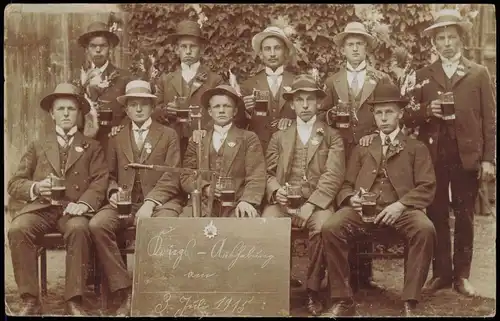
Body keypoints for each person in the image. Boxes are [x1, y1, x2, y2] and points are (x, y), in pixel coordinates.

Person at [321, 82, 436, 317]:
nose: (384, 118)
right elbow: (345, 185)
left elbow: (427, 186)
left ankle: (410, 300)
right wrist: (351, 198)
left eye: (389, 112)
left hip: (402, 210)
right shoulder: (363, 147)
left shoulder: (416, 147)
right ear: (373, 115)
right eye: (379, 112)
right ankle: (343, 299)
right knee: (331, 227)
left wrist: (401, 205)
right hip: (363, 210)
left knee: (425, 229)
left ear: (401, 114)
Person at [403, 9, 496, 296]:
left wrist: (488, 159)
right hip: (433, 157)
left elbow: (490, 119)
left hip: (467, 155)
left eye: (451, 37)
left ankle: (462, 276)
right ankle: (441, 273)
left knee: (465, 214)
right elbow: (406, 117)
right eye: (440, 38)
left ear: (461, 40)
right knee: (436, 213)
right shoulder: (423, 75)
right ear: (434, 43)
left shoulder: (478, 73)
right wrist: (424, 111)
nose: (446, 43)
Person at [7, 84, 109, 316]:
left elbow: (100, 181)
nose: (65, 113)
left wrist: (83, 204)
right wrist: (35, 187)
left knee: (79, 229)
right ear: (52, 113)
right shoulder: (38, 145)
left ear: (79, 113)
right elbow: (15, 183)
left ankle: (74, 300)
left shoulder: (92, 147)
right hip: (42, 208)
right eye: (60, 109)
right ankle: (30, 299)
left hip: (72, 210)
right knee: (18, 229)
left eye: (71, 109)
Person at [88, 80, 184, 316]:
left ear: (152, 108)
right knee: (97, 224)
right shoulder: (116, 137)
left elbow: (172, 176)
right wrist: (112, 192)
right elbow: (108, 174)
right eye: (133, 105)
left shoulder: (169, 135)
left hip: (161, 201)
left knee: (163, 226)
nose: (138, 109)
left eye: (144, 104)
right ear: (127, 109)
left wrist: (151, 203)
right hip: (124, 202)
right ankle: (124, 291)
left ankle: (157, 292)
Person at [321, 21, 394, 290]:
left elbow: (389, 112)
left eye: (359, 43)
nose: (355, 48)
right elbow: (323, 113)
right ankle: (343, 275)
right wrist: (332, 116)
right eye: (350, 44)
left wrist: (375, 134)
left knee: (366, 200)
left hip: (369, 152)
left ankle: (365, 275)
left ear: (366, 48)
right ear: (343, 49)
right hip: (340, 150)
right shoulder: (332, 81)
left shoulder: (381, 78)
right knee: (343, 204)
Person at [263, 74, 345, 316]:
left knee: (324, 227)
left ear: (319, 103)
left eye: (310, 100)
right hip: (284, 201)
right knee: (267, 223)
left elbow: (333, 176)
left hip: (317, 204)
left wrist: (312, 205)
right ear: (292, 104)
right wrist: (277, 192)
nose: (306, 105)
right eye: (300, 100)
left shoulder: (332, 136)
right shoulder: (279, 136)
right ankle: (274, 290)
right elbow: (267, 173)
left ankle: (313, 292)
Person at [181, 85, 266, 218]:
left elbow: (256, 175)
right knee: (183, 227)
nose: (221, 111)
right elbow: (186, 175)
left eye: (226, 106)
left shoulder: (248, 138)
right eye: (216, 107)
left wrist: (247, 201)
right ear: (209, 111)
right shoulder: (198, 139)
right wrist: (205, 188)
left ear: (235, 111)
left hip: (236, 204)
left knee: (246, 226)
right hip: (202, 204)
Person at [153, 20, 228, 157]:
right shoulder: (166, 79)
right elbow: (153, 111)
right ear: (177, 50)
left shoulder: (214, 80)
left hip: (204, 142)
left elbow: (225, 111)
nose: (188, 51)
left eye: (193, 47)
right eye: (183, 47)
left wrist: (206, 130)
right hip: (171, 144)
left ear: (201, 49)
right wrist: (166, 110)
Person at [76, 21, 132, 150]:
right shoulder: (77, 79)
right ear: (86, 49)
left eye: (103, 46)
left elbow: (133, 109)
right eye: (93, 46)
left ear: (110, 48)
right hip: (85, 142)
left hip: (114, 143)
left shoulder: (124, 77)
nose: (98, 50)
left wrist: (122, 127)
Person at [240, 26, 298, 151]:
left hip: (290, 147)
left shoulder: (297, 82)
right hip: (258, 148)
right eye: (267, 49)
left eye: (277, 48)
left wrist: (292, 121)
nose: (272, 54)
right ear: (260, 54)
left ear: (286, 52)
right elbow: (239, 124)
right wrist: (246, 111)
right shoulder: (248, 86)